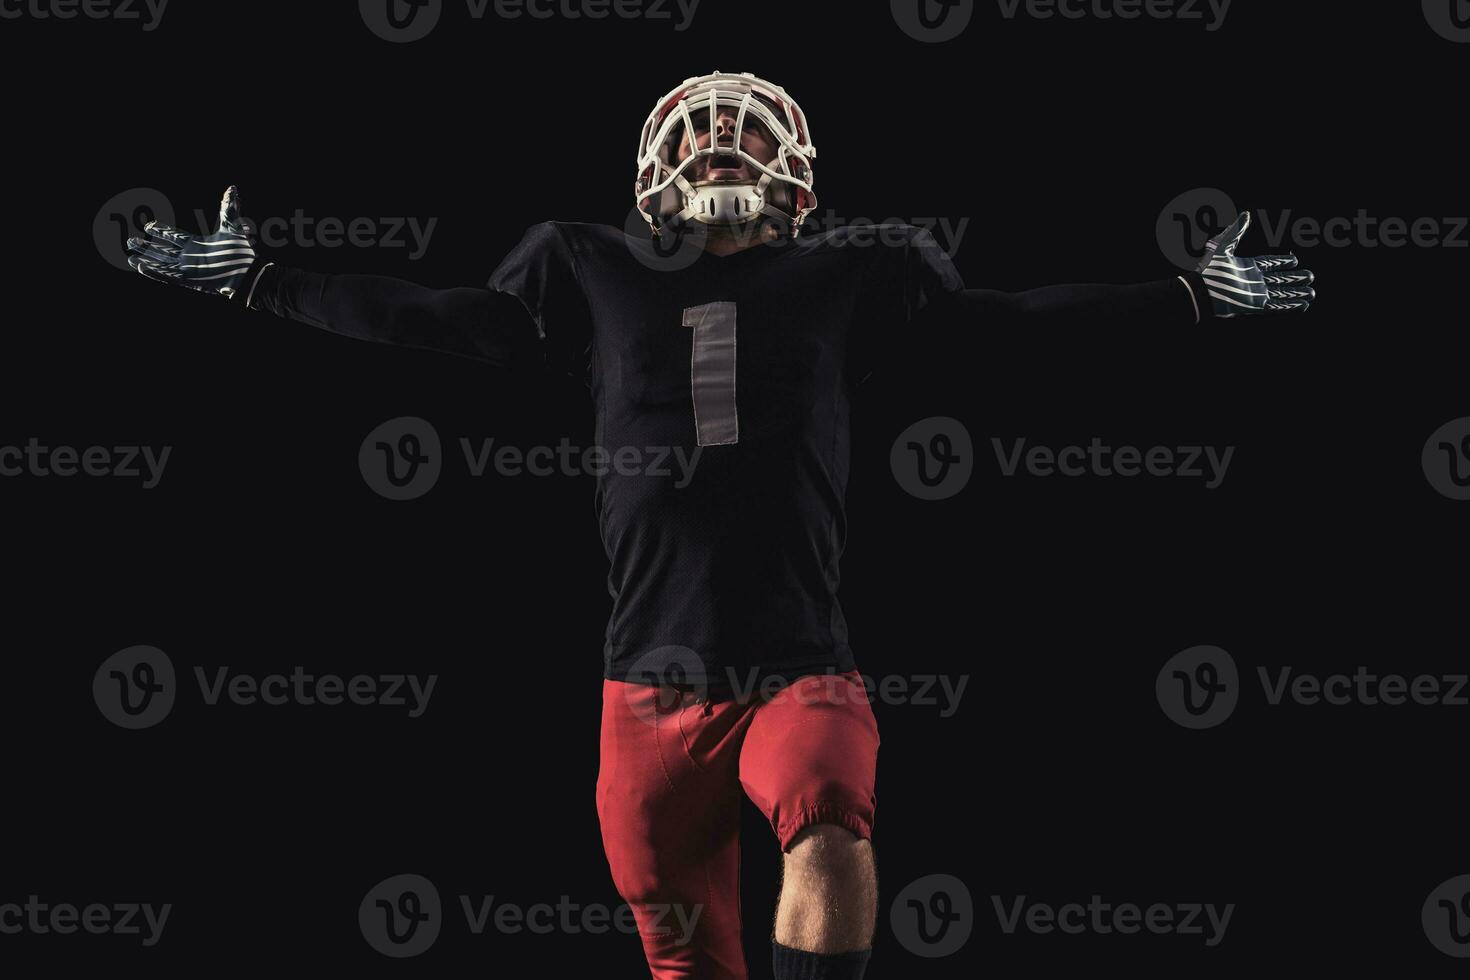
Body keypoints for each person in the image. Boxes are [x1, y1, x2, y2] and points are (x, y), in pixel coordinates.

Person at [125, 70, 1315, 980]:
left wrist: (1185, 294)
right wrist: (262, 279)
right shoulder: (587, 266)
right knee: (687, 959)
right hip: (641, 687)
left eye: (741, 126)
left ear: (796, 165)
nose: (716, 141)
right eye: (694, 129)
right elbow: (430, 317)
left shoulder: (855, 273)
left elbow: (1018, 324)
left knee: (830, 829)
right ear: (650, 168)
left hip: (798, 665)